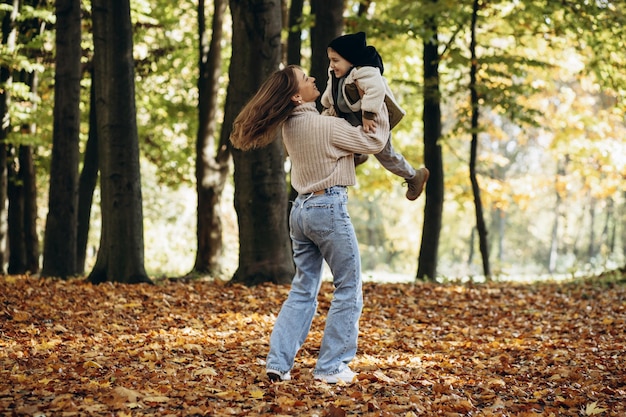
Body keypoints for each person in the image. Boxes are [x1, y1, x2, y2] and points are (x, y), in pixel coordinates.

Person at [230, 65, 390, 384]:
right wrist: (379, 103)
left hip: (300, 212)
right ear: (295, 95)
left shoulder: (291, 127)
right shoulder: (322, 126)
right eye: (306, 79)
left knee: (303, 289)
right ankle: (331, 366)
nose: (313, 79)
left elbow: (339, 151)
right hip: (327, 208)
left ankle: (278, 362)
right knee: (348, 286)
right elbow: (372, 141)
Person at [321, 31, 429, 201]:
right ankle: (358, 154)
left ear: (351, 58)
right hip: (352, 120)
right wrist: (326, 107)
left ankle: (413, 175)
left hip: (374, 121)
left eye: (336, 60)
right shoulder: (336, 73)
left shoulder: (364, 71)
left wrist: (369, 114)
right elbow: (331, 91)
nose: (332, 65)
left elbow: (376, 89)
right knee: (340, 138)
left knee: (386, 155)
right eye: (330, 60)